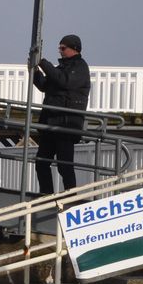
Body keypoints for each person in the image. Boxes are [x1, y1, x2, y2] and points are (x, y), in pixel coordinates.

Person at [32, 34, 91, 194]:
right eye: (60, 48)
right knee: (41, 162)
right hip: (52, 123)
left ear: (75, 49)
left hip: (66, 125)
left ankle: (71, 196)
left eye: (63, 48)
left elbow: (64, 81)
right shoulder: (63, 68)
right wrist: (35, 71)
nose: (60, 51)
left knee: (64, 165)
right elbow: (45, 85)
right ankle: (47, 194)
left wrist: (43, 63)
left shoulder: (80, 67)